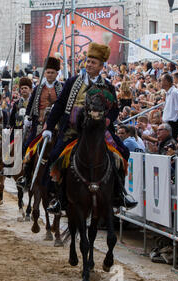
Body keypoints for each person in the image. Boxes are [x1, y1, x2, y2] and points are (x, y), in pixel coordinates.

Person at [42, 42, 137, 213]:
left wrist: (108, 120)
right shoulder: (72, 82)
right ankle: (59, 198)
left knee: (123, 152)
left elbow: (114, 109)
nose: (89, 64)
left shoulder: (107, 85)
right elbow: (59, 105)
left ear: (101, 66)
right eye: (88, 61)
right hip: (73, 131)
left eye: (93, 62)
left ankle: (120, 194)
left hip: (99, 132)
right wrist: (49, 126)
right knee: (56, 155)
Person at [18, 57, 64, 189]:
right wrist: (27, 117)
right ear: (44, 73)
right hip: (39, 125)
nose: (49, 75)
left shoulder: (62, 87)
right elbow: (31, 105)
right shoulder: (38, 89)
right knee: (28, 147)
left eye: (52, 72)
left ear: (57, 73)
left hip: (57, 126)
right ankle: (26, 176)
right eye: (48, 72)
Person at [161, 73, 178, 140]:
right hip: (168, 124)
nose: (160, 82)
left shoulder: (175, 92)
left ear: (167, 82)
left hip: (174, 125)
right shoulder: (168, 93)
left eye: (161, 80)